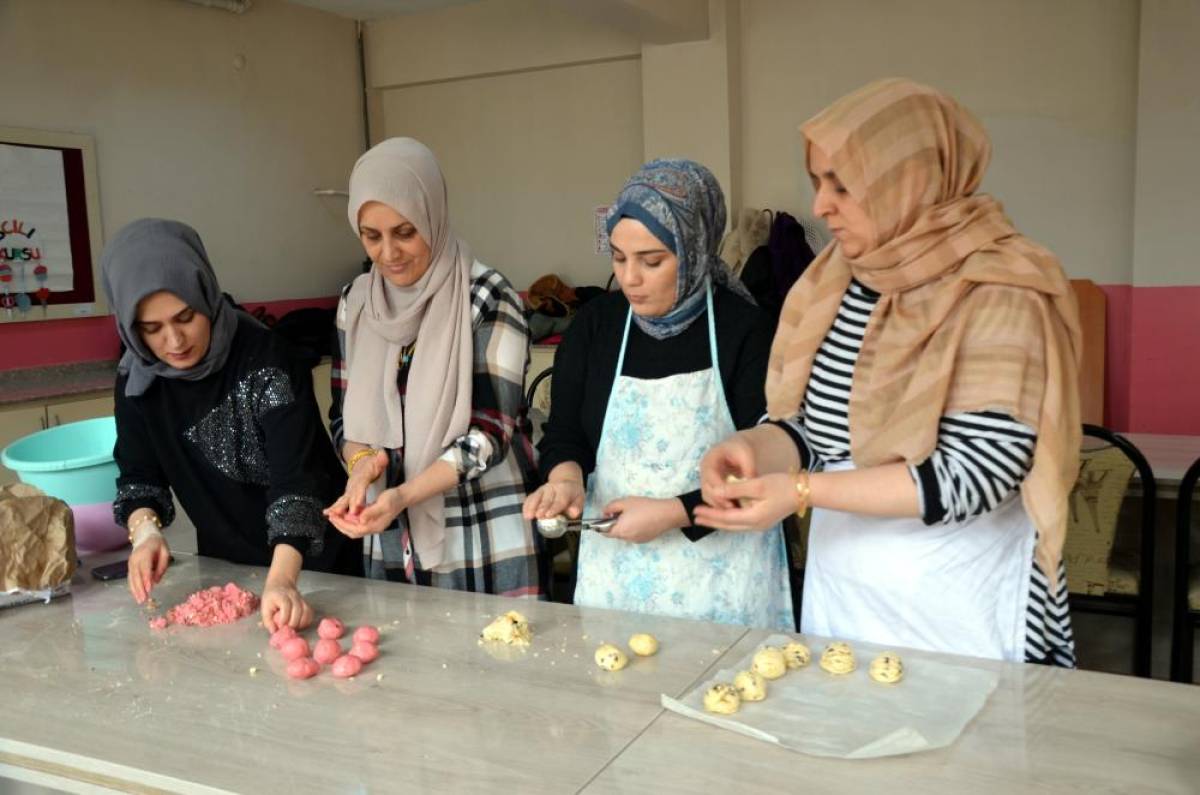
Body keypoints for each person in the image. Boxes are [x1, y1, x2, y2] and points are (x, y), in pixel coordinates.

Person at [697, 79, 1082, 665]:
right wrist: (752, 449)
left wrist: (802, 490)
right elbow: (813, 430)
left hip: (958, 607)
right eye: (817, 182)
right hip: (848, 598)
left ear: (907, 182)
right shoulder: (840, 283)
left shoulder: (1000, 290)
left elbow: (979, 471)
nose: (822, 206)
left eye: (844, 186)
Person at [524, 158, 793, 629]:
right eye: (619, 258)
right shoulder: (596, 327)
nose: (630, 278)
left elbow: (770, 465)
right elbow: (565, 433)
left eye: (651, 261)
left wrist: (673, 514)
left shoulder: (744, 331)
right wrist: (565, 479)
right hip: (616, 580)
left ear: (693, 251)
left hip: (725, 585)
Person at [104, 218, 361, 631]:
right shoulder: (137, 380)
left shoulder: (267, 359)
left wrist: (282, 581)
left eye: (185, 317)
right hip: (227, 570)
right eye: (151, 329)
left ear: (205, 296)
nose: (174, 341)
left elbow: (298, 483)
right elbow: (138, 476)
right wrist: (145, 531)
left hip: (315, 565)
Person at [324, 138, 545, 597]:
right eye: (372, 235)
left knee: (493, 659)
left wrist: (404, 495)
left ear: (433, 216)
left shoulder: (484, 295)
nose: (389, 253)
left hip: (478, 524)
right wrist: (363, 466)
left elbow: (490, 432)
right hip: (388, 530)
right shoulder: (357, 304)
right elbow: (345, 418)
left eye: (405, 231)